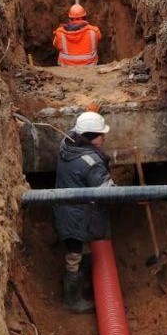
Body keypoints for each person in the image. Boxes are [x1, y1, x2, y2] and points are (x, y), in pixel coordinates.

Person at [53, 110, 114, 313]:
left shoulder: (68, 142)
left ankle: (85, 284)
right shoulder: (91, 163)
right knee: (74, 255)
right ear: (88, 137)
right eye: (100, 135)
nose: (103, 138)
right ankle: (72, 301)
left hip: (64, 207)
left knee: (78, 250)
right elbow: (109, 192)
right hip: (77, 216)